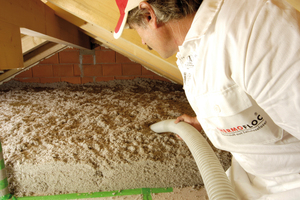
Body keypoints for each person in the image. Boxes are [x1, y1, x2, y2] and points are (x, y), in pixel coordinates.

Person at [113, 0, 300, 199]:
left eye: (136, 30)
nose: (142, 42)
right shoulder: (193, 45)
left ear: (149, 15)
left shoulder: (256, 30)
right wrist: (207, 120)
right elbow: (235, 93)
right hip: (250, 175)